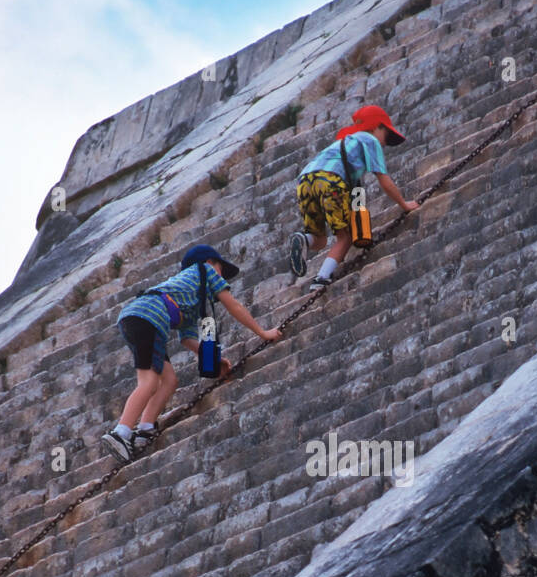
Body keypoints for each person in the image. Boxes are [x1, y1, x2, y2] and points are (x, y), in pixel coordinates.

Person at [102, 243, 281, 463]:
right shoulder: (204, 271)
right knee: (148, 382)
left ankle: (145, 429)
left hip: (137, 318)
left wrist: (214, 362)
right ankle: (121, 432)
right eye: (221, 269)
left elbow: (187, 339)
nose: (222, 276)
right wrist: (263, 332)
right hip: (148, 318)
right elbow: (233, 306)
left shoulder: (189, 299)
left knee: (169, 380)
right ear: (209, 263)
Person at [290, 104, 420, 286]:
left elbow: (354, 192)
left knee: (319, 240)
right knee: (345, 237)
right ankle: (321, 278)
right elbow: (384, 180)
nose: (384, 143)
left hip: (304, 180)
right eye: (386, 136)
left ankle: (303, 239)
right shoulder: (370, 141)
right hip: (331, 180)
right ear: (377, 127)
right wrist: (404, 205)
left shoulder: (342, 143)